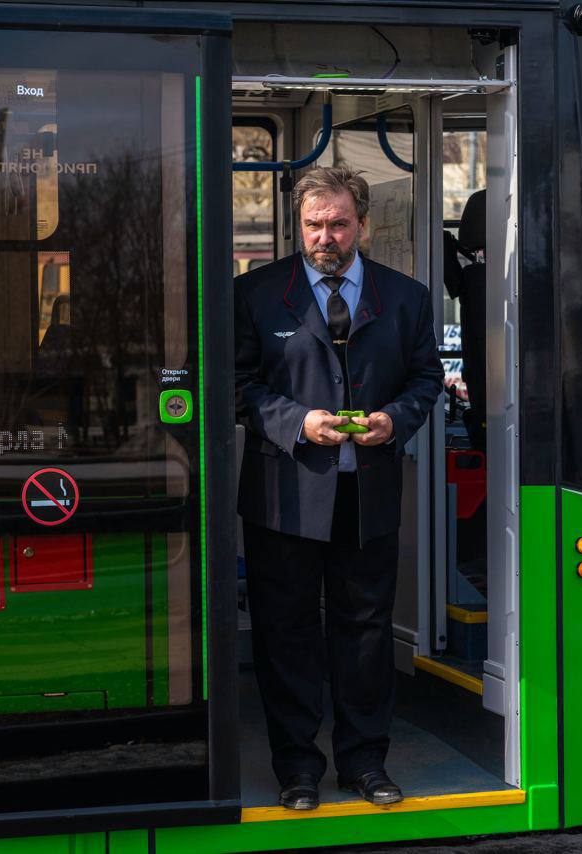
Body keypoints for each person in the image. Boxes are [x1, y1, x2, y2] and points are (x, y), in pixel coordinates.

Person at [234, 166, 443, 810]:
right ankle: (297, 768)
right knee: (286, 635)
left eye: (338, 224)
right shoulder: (255, 294)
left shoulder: (405, 296)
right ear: (300, 226)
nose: (325, 237)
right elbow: (238, 387)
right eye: (314, 225)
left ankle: (363, 763)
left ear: (364, 226)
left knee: (367, 635)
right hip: (283, 499)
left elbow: (425, 380)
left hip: (367, 496)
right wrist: (299, 421)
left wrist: (393, 422)